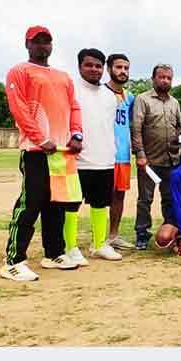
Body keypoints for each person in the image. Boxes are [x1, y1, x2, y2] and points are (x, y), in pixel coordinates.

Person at [0, 26, 83, 281]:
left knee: (56, 204)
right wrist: (40, 138)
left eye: (47, 41)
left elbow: (74, 107)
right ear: (27, 44)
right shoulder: (19, 71)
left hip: (61, 151)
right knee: (30, 203)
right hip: (36, 150)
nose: (42, 46)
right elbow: (19, 108)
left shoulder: (63, 76)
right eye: (37, 42)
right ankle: (13, 260)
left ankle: (54, 253)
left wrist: (77, 134)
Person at [67, 48, 122, 265]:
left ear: (104, 69)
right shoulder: (72, 90)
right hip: (78, 160)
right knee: (71, 206)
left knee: (101, 204)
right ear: (80, 66)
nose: (94, 69)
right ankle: (69, 247)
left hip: (105, 159)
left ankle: (99, 244)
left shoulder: (110, 95)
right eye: (89, 65)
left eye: (98, 66)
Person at [131, 63, 181, 250]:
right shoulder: (143, 99)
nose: (165, 80)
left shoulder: (174, 102)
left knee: (170, 198)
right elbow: (136, 128)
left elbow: (178, 128)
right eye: (161, 77)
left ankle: (169, 231)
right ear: (153, 79)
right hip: (150, 160)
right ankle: (142, 233)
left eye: (168, 78)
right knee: (145, 199)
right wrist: (140, 154)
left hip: (172, 160)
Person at [104, 53, 135, 250]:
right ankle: (97, 237)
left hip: (122, 155)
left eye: (126, 68)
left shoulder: (129, 97)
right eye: (118, 67)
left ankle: (113, 235)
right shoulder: (100, 92)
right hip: (102, 154)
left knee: (119, 196)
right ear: (109, 69)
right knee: (98, 197)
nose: (122, 71)